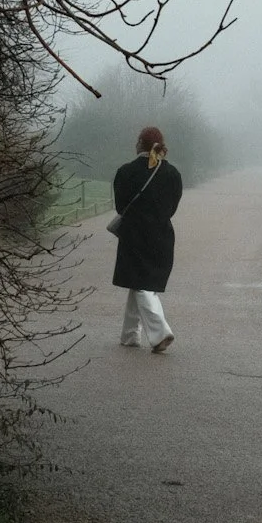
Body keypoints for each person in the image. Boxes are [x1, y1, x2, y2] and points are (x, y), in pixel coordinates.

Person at [112, 124, 182, 353]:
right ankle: (130, 335)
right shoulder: (173, 174)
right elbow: (172, 208)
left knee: (142, 284)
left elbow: (121, 206)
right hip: (162, 234)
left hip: (134, 235)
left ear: (138, 144)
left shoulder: (125, 171)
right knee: (141, 281)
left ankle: (160, 333)